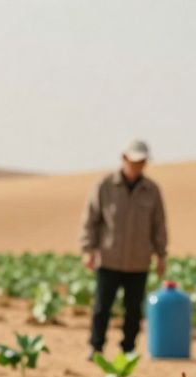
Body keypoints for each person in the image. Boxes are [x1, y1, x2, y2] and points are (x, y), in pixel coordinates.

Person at [80, 139, 168, 357]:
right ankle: (96, 347)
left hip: (138, 261)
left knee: (134, 309)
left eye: (142, 162)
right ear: (124, 158)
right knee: (102, 307)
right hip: (109, 258)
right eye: (135, 161)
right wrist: (88, 250)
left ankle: (128, 349)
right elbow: (91, 220)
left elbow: (159, 224)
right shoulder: (105, 186)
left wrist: (161, 255)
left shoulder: (152, 190)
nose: (138, 165)